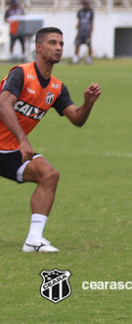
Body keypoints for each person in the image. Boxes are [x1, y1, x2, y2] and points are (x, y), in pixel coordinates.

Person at [0, 27, 102, 253]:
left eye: (62, 44)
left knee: (49, 175)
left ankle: (33, 240)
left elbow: (76, 119)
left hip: (9, 152)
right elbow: (3, 104)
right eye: (53, 43)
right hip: (17, 146)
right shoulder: (21, 73)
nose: (58, 48)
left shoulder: (56, 87)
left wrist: (88, 103)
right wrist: (23, 140)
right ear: (38, 48)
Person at [73, 0, 94, 64]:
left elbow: (92, 23)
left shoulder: (90, 12)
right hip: (81, 32)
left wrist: (90, 33)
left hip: (87, 32)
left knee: (89, 45)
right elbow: (79, 22)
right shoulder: (80, 12)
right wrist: (78, 31)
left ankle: (89, 59)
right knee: (77, 44)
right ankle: (76, 58)